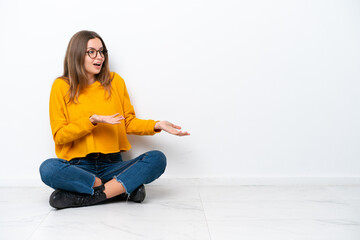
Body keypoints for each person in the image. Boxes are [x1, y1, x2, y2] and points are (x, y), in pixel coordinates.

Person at [39, 30, 190, 209]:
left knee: (157, 159)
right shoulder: (61, 86)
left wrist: (157, 125)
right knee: (47, 168)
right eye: (92, 52)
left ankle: (91, 196)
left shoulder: (115, 82)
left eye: (102, 51)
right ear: (77, 54)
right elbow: (60, 136)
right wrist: (91, 121)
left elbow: (127, 122)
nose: (99, 57)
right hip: (79, 167)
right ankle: (119, 188)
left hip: (112, 164)